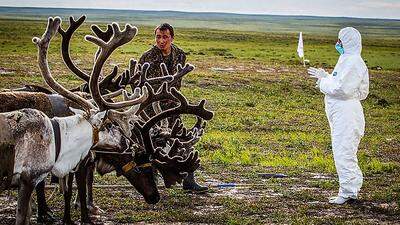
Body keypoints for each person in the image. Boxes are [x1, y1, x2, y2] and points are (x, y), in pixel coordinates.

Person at [139, 23, 208, 193]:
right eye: (158, 37)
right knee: (152, 144)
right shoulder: (147, 58)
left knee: (181, 139)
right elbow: (139, 85)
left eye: (165, 37)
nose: (161, 41)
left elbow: (178, 83)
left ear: (172, 38)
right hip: (152, 109)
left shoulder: (180, 55)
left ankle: (189, 180)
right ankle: (151, 182)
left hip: (172, 107)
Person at [308, 27, 369, 205]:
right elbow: (342, 84)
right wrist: (326, 76)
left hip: (346, 115)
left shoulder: (353, 62)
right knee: (344, 150)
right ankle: (351, 189)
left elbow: (342, 89)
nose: (337, 44)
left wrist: (323, 82)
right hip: (342, 112)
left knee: (344, 152)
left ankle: (348, 192)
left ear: (347, 42)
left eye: (340, 41)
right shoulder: (347, 59)